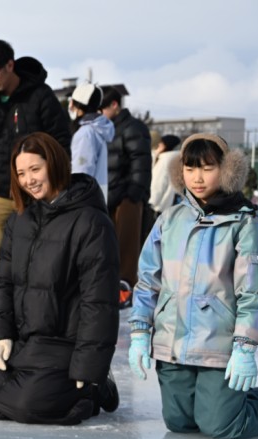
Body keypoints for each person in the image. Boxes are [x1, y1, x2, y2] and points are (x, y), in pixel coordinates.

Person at [128, 133, 258, 439]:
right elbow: (147, 281)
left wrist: (245, 346)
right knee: (179, 422)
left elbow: (254, 292)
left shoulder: (245, 224)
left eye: (207, 168)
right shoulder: (169, 220)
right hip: (172, 344)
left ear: (225, 170)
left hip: (218, 345)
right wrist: (140, 331)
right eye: (189, 168)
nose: (197, 178)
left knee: (222, 425)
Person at [0, 132, 120, 425]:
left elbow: (99, 300)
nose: (28, 179)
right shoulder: (20, 220)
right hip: (28, 338)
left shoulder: (90, 221)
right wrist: (1, 334)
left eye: (35, 169)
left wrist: (89, 365)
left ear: (54, 164)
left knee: (29, 407)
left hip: (66, 342)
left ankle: (94, 391)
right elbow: (3, 280)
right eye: (21, 173)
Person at [0, 40, 71, 319]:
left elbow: (60, 140)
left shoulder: (39, 96)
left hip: (36, 192)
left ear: (10, 65)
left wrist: (51, 182)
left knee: (34, 251)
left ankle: (34, 304)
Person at [100, 87, 153, 308]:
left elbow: (140, 162)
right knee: (109, 244)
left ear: (114, 105)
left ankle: (126, 287)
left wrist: (135, 192)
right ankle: (111, 285)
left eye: (102, 108)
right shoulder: (106, 128)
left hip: (127, 198)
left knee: (127, 246)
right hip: (110, 194)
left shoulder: (132, 127)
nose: (99, 112)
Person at [69, 83, 114, 199]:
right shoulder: (97, 130)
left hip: (84, 199)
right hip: (97, 196)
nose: (70, 106)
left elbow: (82, 172)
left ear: (79, 105)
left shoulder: (85, 133)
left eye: (72, 101)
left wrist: (74, 198)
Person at [148, 134, 181, 216]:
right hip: (172, 204)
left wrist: (151, 203)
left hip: (160, 206)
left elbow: (158, 184)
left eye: (161, 143)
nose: (158, 145)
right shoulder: (177, 159)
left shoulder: (165, 160)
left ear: (166, 145)